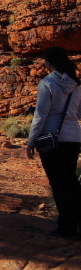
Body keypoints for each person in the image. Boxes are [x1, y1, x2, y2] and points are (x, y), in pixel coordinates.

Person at [26, 47, 81, 238]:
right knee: (71, 181)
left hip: (52, 140)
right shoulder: (76, 84)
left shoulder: (47, 83)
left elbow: (41, 115)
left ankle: (67, 227)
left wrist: (31, 141)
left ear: (49, 62)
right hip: (74, 138)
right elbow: (79, 113)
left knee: (59, 184)